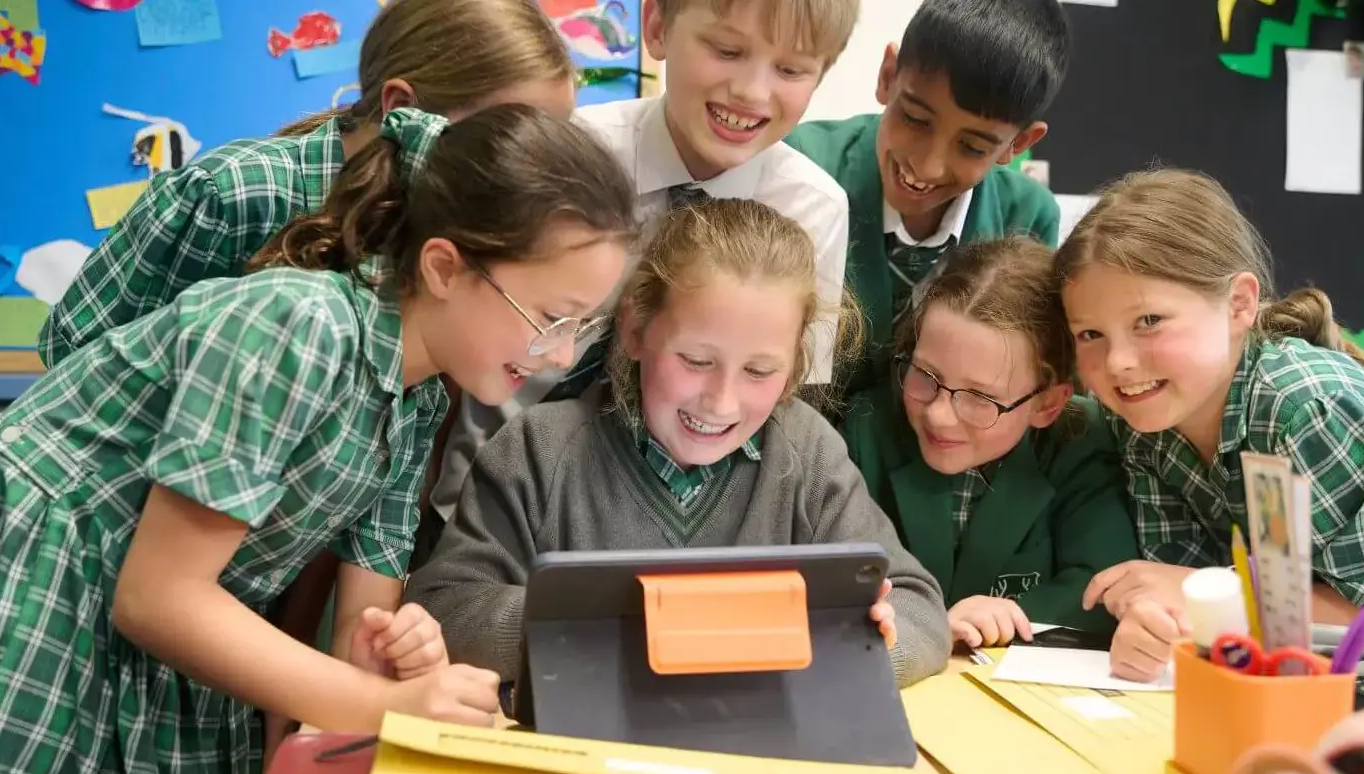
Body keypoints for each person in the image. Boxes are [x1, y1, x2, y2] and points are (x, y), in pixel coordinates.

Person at [0, 105, 636, 774]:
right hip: (43, 578)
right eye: (552, 316)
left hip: (152, 616)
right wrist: (386, 705)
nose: (560, 355)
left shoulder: (415, 397)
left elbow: (357, 641)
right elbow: (158, 597)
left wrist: (395, 658)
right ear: (444, 267)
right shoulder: (299, 326)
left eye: (583, 327)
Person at [406, 198, 952, 686]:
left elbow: (919, 607)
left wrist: (870, 637)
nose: (720, 401)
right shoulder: (538, 451)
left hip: (758, 761)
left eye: (760, 371)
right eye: (695, 361)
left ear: (792, 373)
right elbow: (443, 610)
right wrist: (603, 628)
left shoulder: (809, 454)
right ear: (636, 330)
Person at [424, 0, 860, 527]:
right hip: (478, 503)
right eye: (726, 50)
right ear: (656, 27)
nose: (751, 91)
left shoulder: (814, 209)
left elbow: (785, 401)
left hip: (660, 531)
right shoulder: (571, 151)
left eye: (790, 69)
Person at [38, 0, 576, 368]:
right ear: (402, 108)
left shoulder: (436, 241)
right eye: (510, 138)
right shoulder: (235, 193)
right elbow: (76, 355)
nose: (528, 169)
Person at [1051, 168, 1364, 682]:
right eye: (1091, 333)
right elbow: (1203, 605)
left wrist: (1191, 593)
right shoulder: (1143, 420)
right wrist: (1158, 626)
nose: (1117, 362)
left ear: (1240, 305)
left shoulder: (1312, 409)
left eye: (1149, 322)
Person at [843, 237, 1135, 646]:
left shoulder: (1082, 443)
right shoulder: (863, 430)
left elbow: (1103, 592)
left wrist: (1000, 621)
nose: (938, 414)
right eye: (924, 376)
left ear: (1048, 405)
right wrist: (933, 626)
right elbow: (832, 589)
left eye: (980, 398)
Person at [785, 0, 1068, 399]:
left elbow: (1017, 381)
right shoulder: (800, 168)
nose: (928, 165)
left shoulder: (1028, 217)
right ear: (887, 77)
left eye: (971, 147)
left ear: (1018, 143)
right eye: (915, 119)